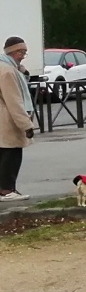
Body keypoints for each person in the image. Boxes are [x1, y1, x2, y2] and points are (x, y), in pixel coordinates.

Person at [0, 36, 35, 202]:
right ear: (12, 52)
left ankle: (5, 190)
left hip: (4, 119)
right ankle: (6, 190)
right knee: (11, 155)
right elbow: (14, 100)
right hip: (7, 120)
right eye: (21, 52)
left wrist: (22, 73)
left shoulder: (8, 68)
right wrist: (26, 125)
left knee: (5, 154)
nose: (22, 56)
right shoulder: (7, 71)